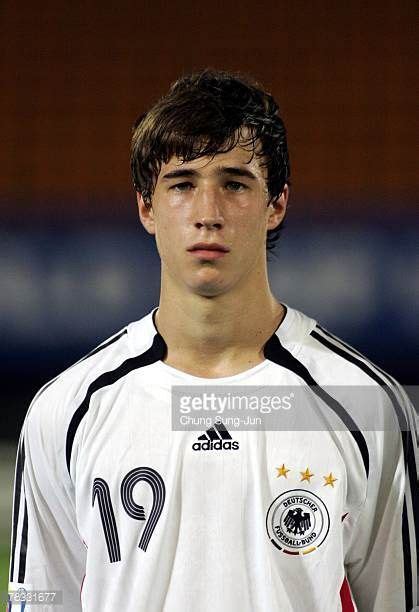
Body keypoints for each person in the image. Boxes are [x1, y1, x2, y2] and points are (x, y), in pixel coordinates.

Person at [8, 69, 417, 611]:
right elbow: (41, 601)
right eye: (181, 184)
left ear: (276, 204)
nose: (207, 215)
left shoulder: (365, 403)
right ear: (146, 208)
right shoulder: (67, 409)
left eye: (234, 183)